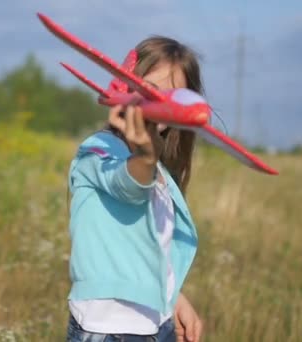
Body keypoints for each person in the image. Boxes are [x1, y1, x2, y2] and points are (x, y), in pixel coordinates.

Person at [66, 36, 204, 342]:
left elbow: (147, 252)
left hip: (159, 326)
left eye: (176, 97)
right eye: (152, 91)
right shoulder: (98, 152)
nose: (163, 104)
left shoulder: (162, 175)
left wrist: (173, 298)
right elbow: (127, 186)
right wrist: (144, 157)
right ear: (126, 91)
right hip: (109, 332)